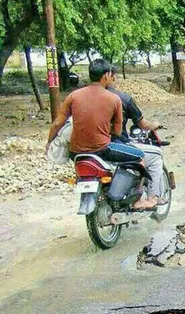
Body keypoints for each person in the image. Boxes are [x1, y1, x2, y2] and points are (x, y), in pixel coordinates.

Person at [46, 59, 153, 210]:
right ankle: (139, 200)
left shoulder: (73, 96)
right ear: (106, 76)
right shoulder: (114, 99)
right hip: (102, 148)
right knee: (140, 156)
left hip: (76, 152)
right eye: (110, 74)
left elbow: (57, 123)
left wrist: (49, 142)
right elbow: (116, 132)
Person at [107, 81, 166, 207]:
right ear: (108, 76)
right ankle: (149, 197)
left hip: (86, 147)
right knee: (151, 155)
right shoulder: (121, 98)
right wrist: (154, 124)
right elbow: (141, 124)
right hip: (114, 144)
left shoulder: (81, 97)